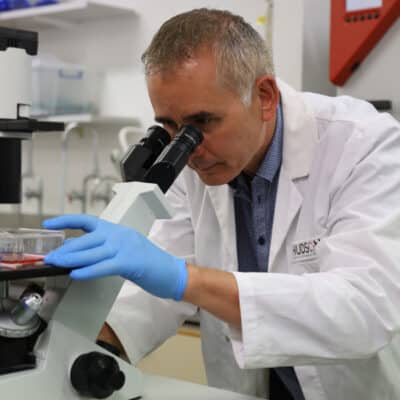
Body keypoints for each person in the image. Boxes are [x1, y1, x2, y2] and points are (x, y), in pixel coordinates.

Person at [43, 8, 400, 400]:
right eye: (170, 127)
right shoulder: (197, 166)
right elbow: (152, 291)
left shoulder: (364, 144)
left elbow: (364, 309)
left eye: (202, 123)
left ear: (263, 97)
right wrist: (70, 348)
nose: (189, 149)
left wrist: (186, 279)